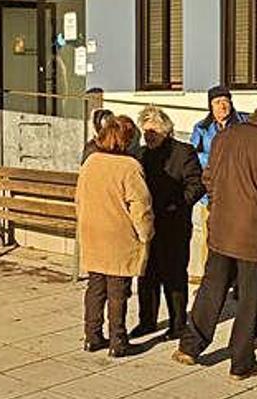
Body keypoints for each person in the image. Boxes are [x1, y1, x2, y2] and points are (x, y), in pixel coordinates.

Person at [173, 81, 257, 381]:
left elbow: (210, 180)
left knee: (211, 288)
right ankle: (241, 362)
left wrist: (218, 210)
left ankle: (190, 347)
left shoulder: (226, 137)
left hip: (223, 228)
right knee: (250, 299)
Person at [76, 115, 154, 357]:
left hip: (93, 231)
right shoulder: (129, 167)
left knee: (96, 286)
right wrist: (146, 234)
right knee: (118, 289)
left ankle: (92, 335)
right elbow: (141, 206)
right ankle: (118, 341)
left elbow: (79, 197)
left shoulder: (91, 162)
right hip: (119, 235)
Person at [131, 106, 204, 341]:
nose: (148, 136)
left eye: (152, 131)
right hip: (147, 224)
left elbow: (197, 184)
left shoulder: (183, 152)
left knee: (174, 275)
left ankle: (177, 323)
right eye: (145, 132)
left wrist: (178, 204)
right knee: (147, 275)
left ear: (165, 130)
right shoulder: (140, 155)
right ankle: (147, 321)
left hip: (174, 224)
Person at [190, 85, 248, 279]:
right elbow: (194, 157)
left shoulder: (244, 124)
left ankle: (238, 280)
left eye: (226, 101)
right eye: (217, 102)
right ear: (210, 106)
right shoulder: (202, 128)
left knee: (240, 238)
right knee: (211, 237)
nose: (222, 106)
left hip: (239, 193)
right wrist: (216, 161)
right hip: (211, 195)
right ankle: (210, 279)